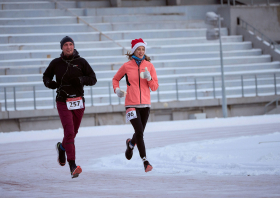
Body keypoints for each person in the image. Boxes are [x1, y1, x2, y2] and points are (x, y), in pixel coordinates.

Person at [43, 36, 97, 178]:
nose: (68, 47)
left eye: (70, 44)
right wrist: (50, 84)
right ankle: (72, 165)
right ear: (61, 47)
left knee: (72, 133)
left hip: (78, 102)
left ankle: (62, 148)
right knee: (69, 131)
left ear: (74, 46)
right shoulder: (56, 63)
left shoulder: (81, 62)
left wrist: (81, 79)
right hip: (63, 101)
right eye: (65, 45)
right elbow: (46, 76)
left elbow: (93, 79)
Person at [112, 38, 159, 172]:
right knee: (139, 132)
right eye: (138, 49)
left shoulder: (149, 66)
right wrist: (117, 90)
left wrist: (149, 79)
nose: (141, 51)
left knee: (140, 132)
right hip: (131, 104)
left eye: (143, 49)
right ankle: (145, 161)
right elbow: (115, 79)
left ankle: (131, 144)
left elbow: (155, 87)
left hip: (145, 104)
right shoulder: (127, 66)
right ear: (134, 50)